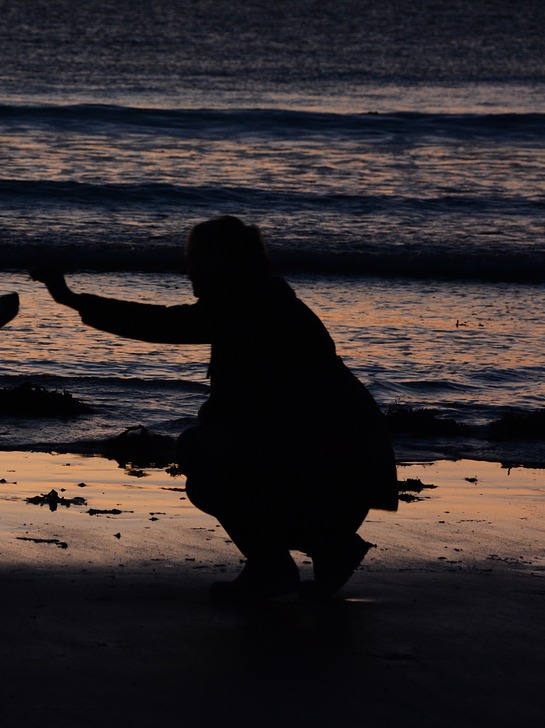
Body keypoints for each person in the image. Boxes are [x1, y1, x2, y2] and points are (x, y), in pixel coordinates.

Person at [32, 216, 397, 603]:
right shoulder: (262, 299)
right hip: (347, 466)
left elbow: (165, 325)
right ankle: (325, 545)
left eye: (194, 260)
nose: (186, 271)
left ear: (221, 262)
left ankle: (283, 562)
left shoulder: (250, 307)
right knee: (216, 452)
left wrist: (71, 299)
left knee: (202, 454)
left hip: (337, 470)